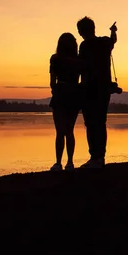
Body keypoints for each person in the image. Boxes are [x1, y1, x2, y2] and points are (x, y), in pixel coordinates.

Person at [77, 16, 117, 168]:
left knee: (91, 124)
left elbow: (83, 68)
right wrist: (113, 31)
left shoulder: (85, 46)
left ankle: (95, 157)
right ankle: (100, 157)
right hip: (104, 89)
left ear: (82, 31)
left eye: (80, 30)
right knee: (100, 122)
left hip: (90, 89)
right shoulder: (105, 42)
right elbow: (114, 40)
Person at [49, 32, 82, 171]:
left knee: (59, 132)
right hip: (74, 95)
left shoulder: (55, 59)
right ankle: (70, 162)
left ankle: (58, 163)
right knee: (70, 131)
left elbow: (52, 82)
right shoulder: (78, 61)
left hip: (60, 95)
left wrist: (55, 90)